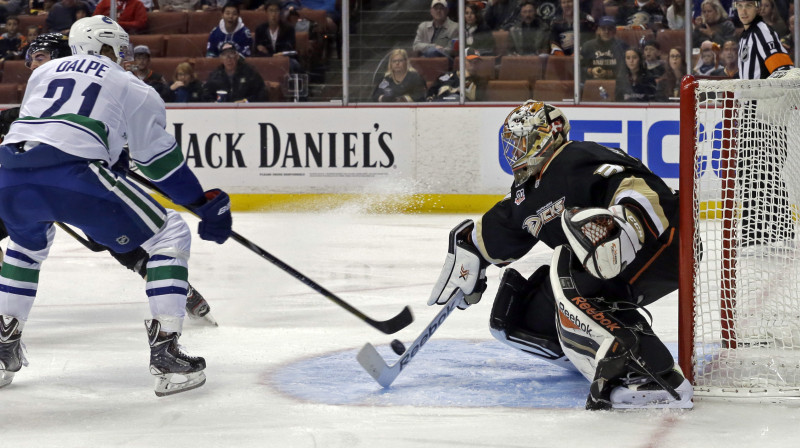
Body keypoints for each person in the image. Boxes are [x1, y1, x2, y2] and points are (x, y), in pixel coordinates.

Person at [0, 15, 232, 395]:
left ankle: (2, 348)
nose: (124, 56)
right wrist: (201, 203)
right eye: (119, 47)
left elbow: (52, 126)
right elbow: (159, 163)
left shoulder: (42, 73)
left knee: (24, 249)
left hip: (10, 176)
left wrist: (108, 154)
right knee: (169, 232)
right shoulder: (133, 86)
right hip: (75, 176)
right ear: (107, 47)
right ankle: (167, 355)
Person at [427, 100, 691, 410]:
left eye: (521, 141)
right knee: (521, 315)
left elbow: (635, 184)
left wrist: (630, 221)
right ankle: (592, 354)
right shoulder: (527, 191)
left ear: (545, 136)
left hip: (664, 240)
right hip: (612, 259)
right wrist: (470, 249)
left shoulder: (574, 159)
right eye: (511, 144)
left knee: (568, 272)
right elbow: (504, 226)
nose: (514, 152)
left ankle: (654, 377)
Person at [734, 0, 793, 246]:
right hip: (751, 112)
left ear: (758, 7)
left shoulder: (762, 32)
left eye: (748, 5)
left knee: (764, 170)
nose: (743, 10)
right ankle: (760, 232)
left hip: (764, 113)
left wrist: (770, 106)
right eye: (739, 5)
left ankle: (775, 231)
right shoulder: (746, 36)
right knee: (750, 171)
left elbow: (783, 70)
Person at [202, 41, 267, 102]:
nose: (229, 59)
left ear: (237, 56)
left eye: (231, 55)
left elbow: (262, 93)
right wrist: (214, 103)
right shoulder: (215, 76)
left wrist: (246, 101)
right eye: (225, 55)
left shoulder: (250, 72)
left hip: (245, 110)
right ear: (221, 59)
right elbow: (206, 95)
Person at [254, 0, 302, 74]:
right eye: (271, 11)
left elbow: (289, 48)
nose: (273, 14)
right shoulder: (260, 29)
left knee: (293, 64)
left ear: (280, 13)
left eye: (276, 11)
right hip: (266, 60)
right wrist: (273, 56)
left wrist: (275, 54)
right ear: (266, 13)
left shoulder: (289, 29)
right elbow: (257, 50)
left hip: (285, 59)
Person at [580, 16, 627, 81]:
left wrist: (608, 73)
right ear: (598, 30)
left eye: (610, 29)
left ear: (615, 31)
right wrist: (591, 71)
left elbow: (625, 70)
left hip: (616, 84)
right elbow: (578, 68)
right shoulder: (588, 46)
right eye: (603, 28)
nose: (606, 32)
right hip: (592, 83)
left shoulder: (622, 46)